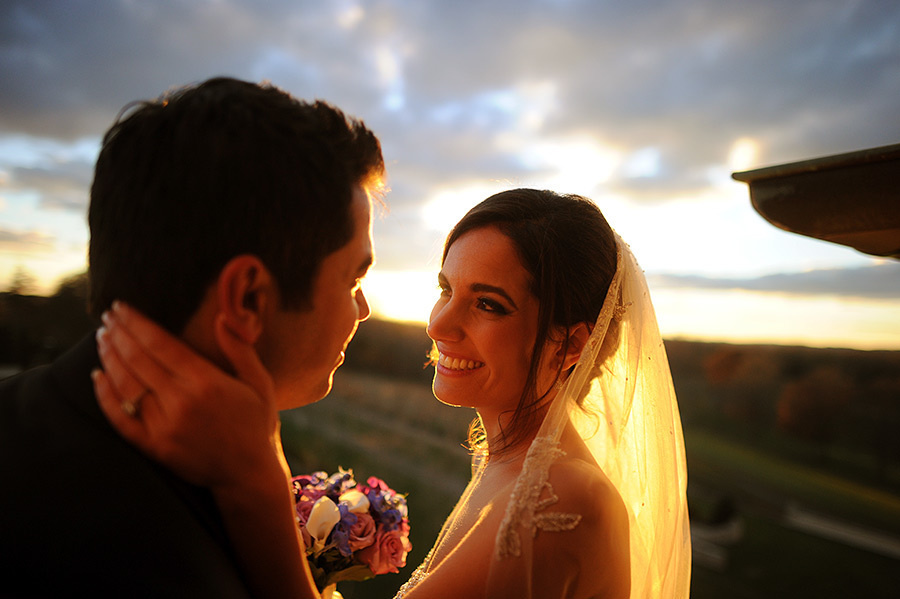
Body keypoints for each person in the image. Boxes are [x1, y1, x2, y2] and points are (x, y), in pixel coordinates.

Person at [93, 188, 692, 598]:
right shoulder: (511, 462)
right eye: (445, 288)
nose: (438, 323)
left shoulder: (563, 495)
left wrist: (255, 477)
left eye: (487, 304)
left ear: (569, 344)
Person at [0, 77, 384, 598]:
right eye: (353, 279)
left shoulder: (24, 411)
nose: (362, 309)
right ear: (248, 298)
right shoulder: (145, 561)